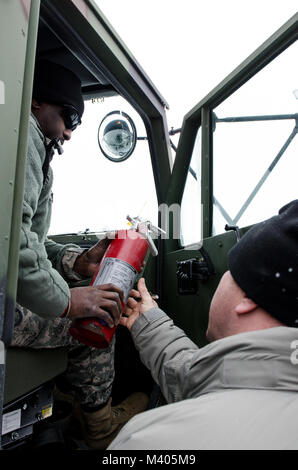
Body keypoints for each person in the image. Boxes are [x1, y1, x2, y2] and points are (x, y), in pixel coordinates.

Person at [11, 59, 148, 450]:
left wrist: (79, 260)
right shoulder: (25, 141)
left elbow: (27, 241)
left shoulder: (33, 149)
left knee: (87, 287)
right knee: (95, 315)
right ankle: (100, 425)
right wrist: (71, 301)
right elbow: (16, 249)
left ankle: (67, 397)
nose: (70, 132)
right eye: (68, 115)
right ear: (36, 102)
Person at [108, 200, 298, 450]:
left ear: (247, 300)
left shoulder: (150, 439)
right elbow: (203, 376)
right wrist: (149, 323)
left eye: (229, 272)